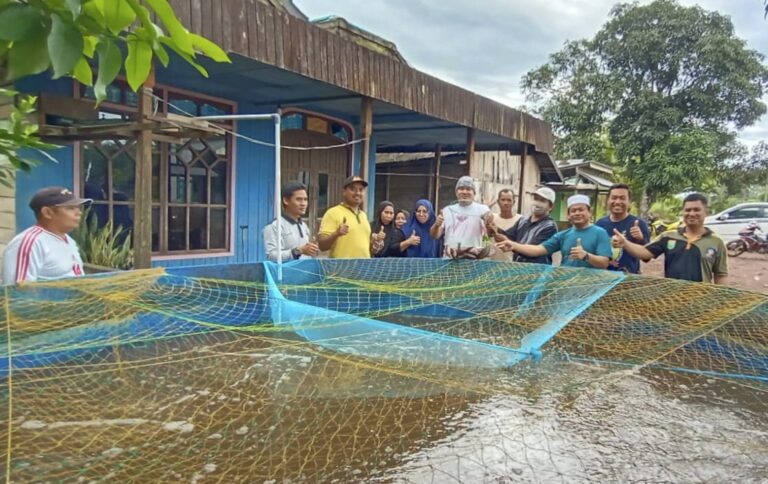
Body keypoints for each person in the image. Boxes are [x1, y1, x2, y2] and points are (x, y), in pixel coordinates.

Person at [612, 193, 728, 284]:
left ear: (706, 212)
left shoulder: (716, 242)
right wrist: (625, 243)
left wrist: (720, 303)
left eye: (696, 209)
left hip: (700, 300)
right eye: (687, 210)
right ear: (683, 212)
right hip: (671, 298)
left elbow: (720, 274)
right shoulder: (669, 236)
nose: (691, 213)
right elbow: (645, 253)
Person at [3, 186, 91, 285]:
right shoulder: (31, 242)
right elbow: (19, 289)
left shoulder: (69, 241)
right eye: (70, 208)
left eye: (78, 208)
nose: (79, 213)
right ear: (47, 212)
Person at [496, 194, 612, 269]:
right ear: (568, 215)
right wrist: (513, 245)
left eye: (581, 210)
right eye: (573, 211)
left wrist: (586, 256)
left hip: (592, 288)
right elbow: (538, 249)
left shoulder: (600, 233)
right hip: (565, 285)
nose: (577, 213)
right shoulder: (563, 235)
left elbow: (604, 263)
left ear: (589, 212)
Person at [430, 176, 494, 259]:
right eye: (461, 189)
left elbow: (487, 235)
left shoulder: (483, 210)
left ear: (474, 193)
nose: (464, 192)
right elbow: (435, 236)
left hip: (474, 260)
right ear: (456, 192)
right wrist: (436, 224)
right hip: (450, 260)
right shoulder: (447, 210)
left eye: (468, 189)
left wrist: (485, 248)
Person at [491, 187, 559, 264]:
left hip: (538, 271)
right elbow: (509, 236)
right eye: (536, 199)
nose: (537, 203)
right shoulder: (523, 220)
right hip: (518, 268)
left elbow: (534, 251)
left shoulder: (549, 226)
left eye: (542, 200)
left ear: (550, 206)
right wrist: (494, 229)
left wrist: (512, 245)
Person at [595, 184, 650, 274]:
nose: (617, 201)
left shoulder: (639, 224)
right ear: (607, 200)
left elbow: (647, 259)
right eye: (614, 197)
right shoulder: (600, 224)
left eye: (622, 198)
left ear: (629, 202)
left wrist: (640, 239)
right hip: (604, 277)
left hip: (629, 279)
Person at [262, 182, 319, 262]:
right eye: (298, 199)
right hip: (285, 273)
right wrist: (298, 251)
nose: (303, 204)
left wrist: (311, 249)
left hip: (305, 272)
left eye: (305, 200)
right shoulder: (274, 226)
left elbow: (305, 255)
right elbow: (271, 256)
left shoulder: (304, 226)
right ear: (285, 200)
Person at [318, 175, 372, 258]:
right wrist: (336, 233)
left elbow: (363, 247)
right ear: (344, 192)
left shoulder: (363, 215)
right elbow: (322, 246)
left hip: (363, 269)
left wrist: (375, 245)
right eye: (353, 189)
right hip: (341, 269)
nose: (357, 193)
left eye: (361, 190)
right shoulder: (332, 213)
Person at [487, 189, 522, 261]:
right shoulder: (492, 218)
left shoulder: (521, 220)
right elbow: (484, 239)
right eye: (503, 200)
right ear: (498, 202)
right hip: (492, 263)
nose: (506, 203)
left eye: (509, 200)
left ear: (514, 202)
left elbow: (523, 243)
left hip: (513, 264)